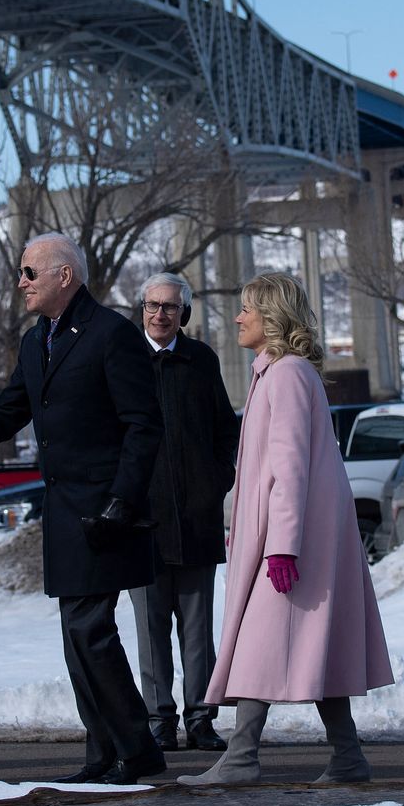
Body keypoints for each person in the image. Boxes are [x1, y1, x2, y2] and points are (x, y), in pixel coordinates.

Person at [0, 233, 166, 785]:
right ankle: (104, 751)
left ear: (63, 276)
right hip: (64, 509)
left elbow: (144, 426)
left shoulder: (112, 334)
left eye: (29, 273)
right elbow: (7, 413)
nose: (20, 283)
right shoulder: (34, 341)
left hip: (107, 509)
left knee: (91, 628)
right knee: (76, 634)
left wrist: (122, 500)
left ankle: (138, 750)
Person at [177, 272, 393, 786]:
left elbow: (291, 467)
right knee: (313, 643)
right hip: (292, 537)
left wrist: (283, 546)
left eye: (247, 307)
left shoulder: (288, 374)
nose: (238, 317)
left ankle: (242, 757)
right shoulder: (275, 372)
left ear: (271, 315)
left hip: (294, 541)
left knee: (258, 642)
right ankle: (347, 757)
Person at [131, 271, 238, 754]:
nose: (160, 314)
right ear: (142, 310)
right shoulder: (125, 361)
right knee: (151, 632)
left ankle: (200, 719)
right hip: (140, 524)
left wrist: (215, 484)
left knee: (197, 633)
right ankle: (159, 721)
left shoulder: (201, 361)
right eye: (153, 305)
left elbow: (224, 430)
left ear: (184, 315)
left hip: (196, 519)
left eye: (170, 307)